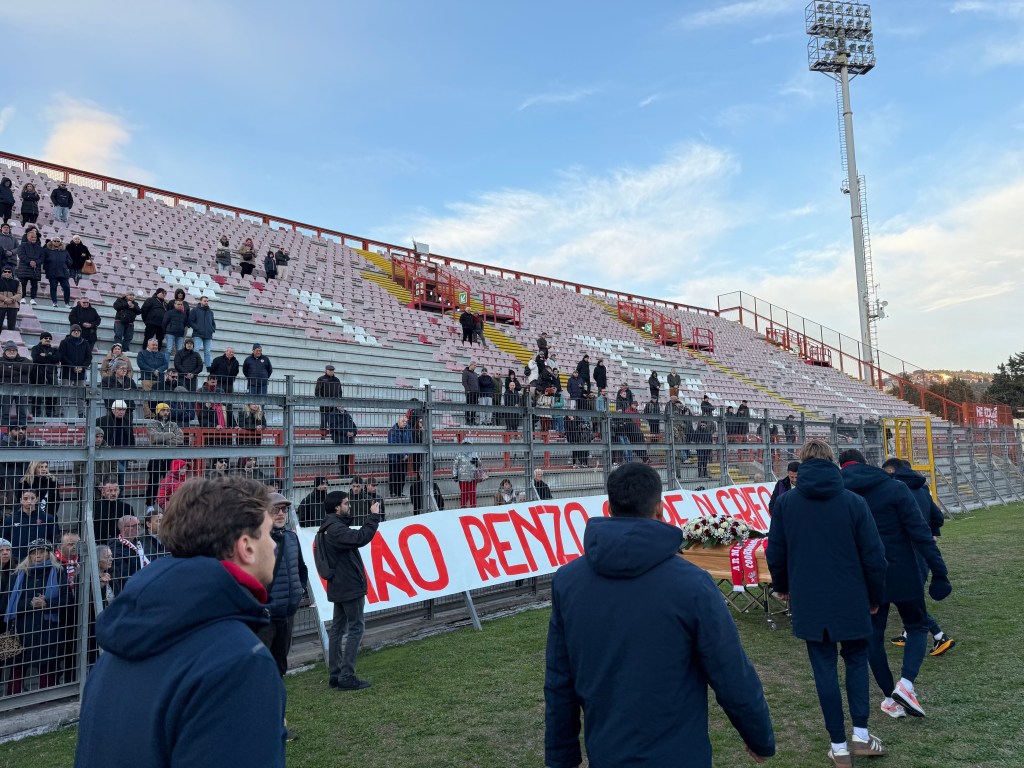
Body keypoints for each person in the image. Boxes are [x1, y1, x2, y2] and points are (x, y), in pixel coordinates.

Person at [545, 462, 775, 767]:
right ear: (660, 510)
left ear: (609, 508)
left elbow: (560, 681)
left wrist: (561, 757)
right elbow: (730, 670)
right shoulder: (692, 583)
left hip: (609, 753)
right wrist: (759, 736)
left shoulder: (567, 581)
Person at [75, 477, 287, 767]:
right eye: (268, 533)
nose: (275, 545)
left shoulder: (120, 643)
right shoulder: (238, 662)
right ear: (246, 547)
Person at [766, 440, 889, 767]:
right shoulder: (854, 502)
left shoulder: (786, 504)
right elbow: (874, 557)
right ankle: (860, 735)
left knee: (824, 670)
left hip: (810, 598)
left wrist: (782, 586)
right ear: (831, 461)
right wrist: (875, 596)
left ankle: (838, 745)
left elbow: (775, 551)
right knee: (856, 661)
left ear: (801, 463)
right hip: (850, 597)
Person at [840, 449, 952, 719]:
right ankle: (905, 685)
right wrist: (940, 572)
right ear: (867, 464)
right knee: (916, 625)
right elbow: (921, 533)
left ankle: (890, 695)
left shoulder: (840, 493)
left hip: (864, 574)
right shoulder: (894, 488)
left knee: (873, 639)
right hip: (901, 569)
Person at [882, 458, 955, 657]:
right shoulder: (923, 490)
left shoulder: (894, 492)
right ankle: (908, 633)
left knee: (907, 599)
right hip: (923, 549)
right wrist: (926, 530)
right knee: (910, 596)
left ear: (892, 471)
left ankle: (939, 635)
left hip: (904, 551)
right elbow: (938, 518)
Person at [314, 490, 381, 691]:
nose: (349, 506)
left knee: (338, 629)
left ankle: (336, 674)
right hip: (349, 585)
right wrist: (374, 517)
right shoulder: (335, 529)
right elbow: (360, 537)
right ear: (337, 507)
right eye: (346, 503)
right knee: (355, 628)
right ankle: (346, 675)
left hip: (339, 584)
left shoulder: (327, 527)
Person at [4, 538, 71, 696]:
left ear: (49, 554)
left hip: (49, 627)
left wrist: (46, 603)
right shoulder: (19, 574)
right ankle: (13, 697)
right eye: (34, 553)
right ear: (29, 555)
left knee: (47, 664)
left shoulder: (59, 571)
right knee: (18, 665)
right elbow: (8, 604)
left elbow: (68, 598)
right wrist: (30, 603)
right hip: (23, 628)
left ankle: (46, 697)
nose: (38, 556)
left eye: (42, 552)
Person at [259, 493, 308, 706]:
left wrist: (298, 592)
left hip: (287, 612)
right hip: (266, 616)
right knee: (261, 669)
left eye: (284, 510)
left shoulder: (290, 537)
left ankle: (277, 718)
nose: (280, 514)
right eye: (275, 509)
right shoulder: (257, 540)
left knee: (280, 666)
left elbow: (300, 568)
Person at [1, 490, 58, 561]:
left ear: (37, 499)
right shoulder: (10, 520)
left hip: (40, 560)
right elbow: (4, 541)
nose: (29, 501)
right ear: (20, 500)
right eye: (25, 498)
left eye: (32, 498)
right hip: (17, 561)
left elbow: (52, 540)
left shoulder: (48, 518)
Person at [93, 479, 134, 545]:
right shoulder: (95, 508)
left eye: (115, 490)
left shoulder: (127, 508)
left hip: (122, 544)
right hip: (100, 545)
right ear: (103, 492)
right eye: (110, 491)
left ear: (119, 491)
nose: (113, 493)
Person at [29, 331, 60, 418]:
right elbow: (36, 358)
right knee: (37, 393)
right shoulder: (35, 348)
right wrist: (50, 359)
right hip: (38, 373)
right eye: (46, 338)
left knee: (52, 394)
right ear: (41, 339)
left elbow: (57, 358)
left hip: (51, 373)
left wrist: (45, 356)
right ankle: (36, 413)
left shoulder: (54, 350)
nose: (48, 340)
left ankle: (50, 413)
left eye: (50, 339)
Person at [327, 405, 358, 479]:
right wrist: (346, 433)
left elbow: (354, 426)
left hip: (348, 440)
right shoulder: (333, 414)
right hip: (340, 440)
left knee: (346, 457)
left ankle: (346, 474)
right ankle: (343, 474)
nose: (342, 406)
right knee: (342, 457)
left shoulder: (347, 414)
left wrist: (353, 433)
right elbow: (333, 427)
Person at [386, 414, 413, 497]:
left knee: (402, 475)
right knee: (394, 475)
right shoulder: (392, 431)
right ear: (398, 421)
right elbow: (393, 445)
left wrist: (407, 454)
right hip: (394, 458)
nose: (405, 423)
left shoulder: (408, 430)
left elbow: (411, 443)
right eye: (403, 421)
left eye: (406, 422)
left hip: (405, 457)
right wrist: (403, 455)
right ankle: (393, 492)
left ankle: (400, 492)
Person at [452, 437, 483, 508]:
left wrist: (476, 461)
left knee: (473, 494)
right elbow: (455, 465)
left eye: (468, 444)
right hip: (462, 478)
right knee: (464, 494)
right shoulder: (459, 454)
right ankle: (463, 508)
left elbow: (480, 464)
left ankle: (473, 508)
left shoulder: (474, 453)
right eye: (465, 444)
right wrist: (454, 475)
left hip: (472, 477)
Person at [15, 226, 42, 304]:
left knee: (34, 284)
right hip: (25, 268)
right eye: (32, 237)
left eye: (35, 237)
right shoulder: (22, 245)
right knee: (23, 283)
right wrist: (30, 262)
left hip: (35, 269)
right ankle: (22, 297)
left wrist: (36, 262)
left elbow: (42, 257)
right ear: (28, 237)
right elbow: (21, 255)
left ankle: (33, 298)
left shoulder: (39, 248)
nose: (33, 238)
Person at [42, 236, 72, 307]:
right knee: (53, 287)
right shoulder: (46, 250)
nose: (56, 242)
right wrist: (47, 265)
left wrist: (66, 263)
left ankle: (67, 303)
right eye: (54, 241)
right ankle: (54, 302)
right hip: (52, 272)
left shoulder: (64, 250)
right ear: (51, 242)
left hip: (63, 272)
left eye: (58, 241)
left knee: (66, 287)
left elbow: (70, 261)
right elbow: (43, 260)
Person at [188, 295, 216, 368]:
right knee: (196, 350)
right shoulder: (194, 310)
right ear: (200, 301)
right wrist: (197, 328)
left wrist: (212, 329)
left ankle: (208, 367)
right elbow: (190, 321)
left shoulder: (210, 312)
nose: (206, 302)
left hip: (208, 335)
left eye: (207, 301)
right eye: (205, 301)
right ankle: (193, 365)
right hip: (198, 334)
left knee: (207, 352)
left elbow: (213, 323)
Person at [314, 364, 342, 432]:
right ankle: (323, 435)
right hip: (324, 405)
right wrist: (321, 400)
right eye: (330, 370)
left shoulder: (337, 380)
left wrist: (339, 402)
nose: (331, 372)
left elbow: (340, 391)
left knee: (334, 421)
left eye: (332, 370)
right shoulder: (321, 379)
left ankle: (334, 435)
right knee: (324, 421)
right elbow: (317, 391)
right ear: (326, 371)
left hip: (334, 405)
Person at [0, 265, 18, 332]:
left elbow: (19, 294)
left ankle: (10, 340)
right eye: (5, 271)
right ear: (2, 272)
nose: (7, 273)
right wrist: (5, 299)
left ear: (12, 273)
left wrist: (12, 299)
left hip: (13, 306)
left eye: (9, 272)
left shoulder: (17, 282)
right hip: (1, 305)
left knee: (11, 326)